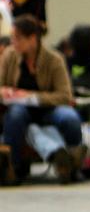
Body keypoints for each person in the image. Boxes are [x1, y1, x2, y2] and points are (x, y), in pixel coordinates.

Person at [0, 14, 84, 185]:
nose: (13, 42)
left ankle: (73, 165)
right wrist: (6, 91)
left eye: (17, 38)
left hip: (49, 108)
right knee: (15, 115)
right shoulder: (9, 56)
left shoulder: (54, 59)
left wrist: (33, 97)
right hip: (19, 109)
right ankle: (12, 168)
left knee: (71, 118)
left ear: (33, 39)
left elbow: (65, 95)